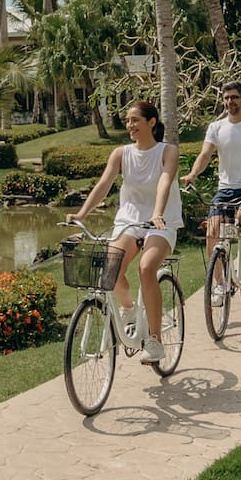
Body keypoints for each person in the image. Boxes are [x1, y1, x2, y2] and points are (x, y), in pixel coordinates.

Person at [65, 100, 182, 366]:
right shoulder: (121, 153)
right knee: (110, 266)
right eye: (128, 121)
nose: (129, 126)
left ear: (151, 122)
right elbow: (104, 184)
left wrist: (158, 212)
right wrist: (82, 214)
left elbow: (165, 181)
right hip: (129, 220)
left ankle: (154, 340)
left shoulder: (168, 151)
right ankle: (129, 310)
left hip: (161, 222)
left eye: (135, 120)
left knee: (146, 267)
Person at [182, 80, 241, 288]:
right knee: (212, 233)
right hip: (225, 188)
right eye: (226, 98)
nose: (230, 101)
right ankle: (220, 284)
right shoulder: (216, 127)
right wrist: (192, 174)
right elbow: (205, 155)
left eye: (234, 97)